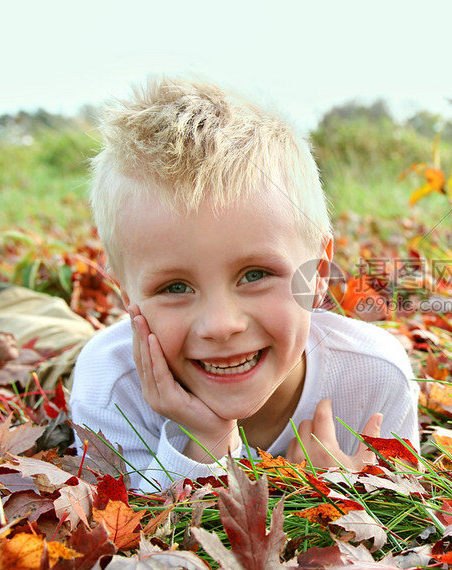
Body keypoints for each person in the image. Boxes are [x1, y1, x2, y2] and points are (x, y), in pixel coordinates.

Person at [67, 77, 420, 492]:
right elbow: (136, 532)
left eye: (255, 275)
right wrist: (207, 441)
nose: (220, 324)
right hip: (77, 352)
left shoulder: (375, 375)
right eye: (175, 288)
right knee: (35, 325)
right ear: (128, 298)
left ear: (318, 275)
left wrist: (356, 496)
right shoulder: (110, 386)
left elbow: (407, 530)